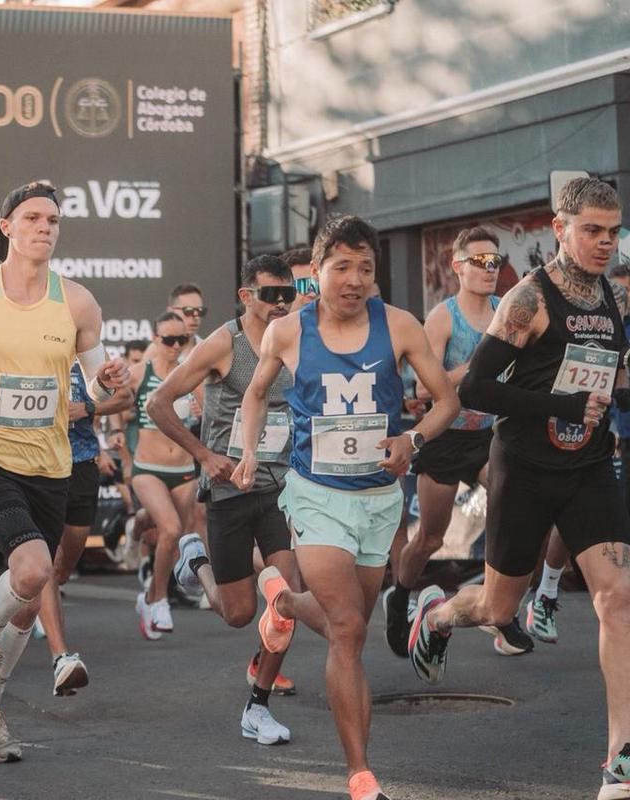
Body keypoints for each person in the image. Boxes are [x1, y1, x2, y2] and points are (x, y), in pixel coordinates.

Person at [408, 177, 630, 798]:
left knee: (618, 596)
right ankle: (442, 614)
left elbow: (612, 373)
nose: (604, 242)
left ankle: (621, 758)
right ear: (560, 229)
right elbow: (474, 388)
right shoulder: (527, 299)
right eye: (591, 229)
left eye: (612, 231)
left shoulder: (614, 298)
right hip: (524, 467)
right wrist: (560, 400)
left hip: (588, 463)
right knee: (498, 608)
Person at [232, 215, 459, 800]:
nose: (354, 279)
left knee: (345, 622)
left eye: (365, 269)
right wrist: (251, 454)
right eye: (341, 267)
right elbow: (256, 393)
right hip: (315, 495)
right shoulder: (287, 332)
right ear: (317, 271)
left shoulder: (401, 325)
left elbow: (447, 399)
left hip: (379, 501)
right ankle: (360, 773)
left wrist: (414, 441)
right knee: (349, 629)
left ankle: (281, 601)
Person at [0, 181, 128, 763]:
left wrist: (112, 379)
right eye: (32, 217)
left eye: (54, 220)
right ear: (7, 226)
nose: (45, 228)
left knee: (30, 598)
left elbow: (92, 382)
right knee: (31, 569)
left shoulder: (78, 302)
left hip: (52, 464)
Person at [153, 254, 306, 744]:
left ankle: (257, 706)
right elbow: (159, 403)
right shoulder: (225, 344)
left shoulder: (301, 338)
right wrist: (203, 456)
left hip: (283, 489)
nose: (281, 303)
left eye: (288, 293)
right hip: (229, 490)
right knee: (238, 612)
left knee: (290, 598)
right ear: (247, 296)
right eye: (270, 295)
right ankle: (196, 562)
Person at [382, 226, 534, 657]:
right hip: (446, 436)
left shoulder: (508, 311)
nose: (491, 270)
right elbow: (426, 390)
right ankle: (399, 596)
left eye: (496, 261)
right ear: (458, 267)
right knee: (431, 537)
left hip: (491, 434)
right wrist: (477, 368)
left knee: (517, 509)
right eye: (481, 262)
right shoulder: (443, 316)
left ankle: (498, 611)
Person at [37, 360, 130, 695]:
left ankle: (36, 602)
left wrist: (87, 407)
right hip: (41, 465)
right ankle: (61, 655)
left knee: (66, 559)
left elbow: (126, 397)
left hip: (82, 465)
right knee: (43, 560)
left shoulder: (87, 360)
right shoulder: (31, 355)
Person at [126, 311, 201, 639]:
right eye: (167, 340)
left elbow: (213, 413)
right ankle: (157, 599)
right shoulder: (139, 373)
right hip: (148, 468)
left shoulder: (191, 374)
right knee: (170, 529)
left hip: (184, 469)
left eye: (181, 340)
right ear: (155, 339)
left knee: (174, 534)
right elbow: (111, 402)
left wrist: (201, 412)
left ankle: (138, 524)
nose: (174, 346)